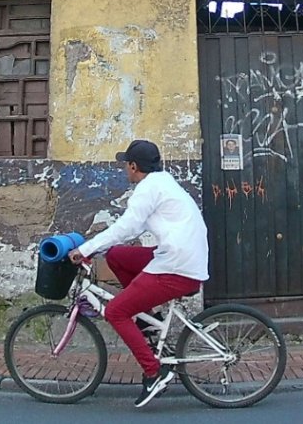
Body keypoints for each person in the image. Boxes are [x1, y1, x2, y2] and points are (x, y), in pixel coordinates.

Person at [69, 139, 209, 408]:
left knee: (115, 312)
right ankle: (147, 320)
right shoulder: (162, 182)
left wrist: (84, 249)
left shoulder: (147, 189)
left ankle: (154, 372)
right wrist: (97, 249)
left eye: (126, 165)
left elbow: (126, 228)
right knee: (117, 256)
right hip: (181, 256)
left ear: (134, 166)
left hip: (177, 266)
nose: (125, 170)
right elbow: (127, 231)